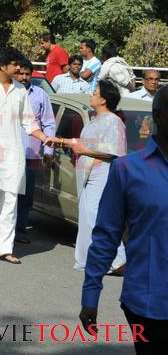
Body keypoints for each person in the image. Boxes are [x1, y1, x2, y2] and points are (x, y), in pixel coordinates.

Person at [79, 86, 168, 354]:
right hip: (149, 304)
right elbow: (106, 235)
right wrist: (90, 295)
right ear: (158, 116)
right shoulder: (127, 169)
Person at [0, 47, 59, 264]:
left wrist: (45, 138)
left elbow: (29, 123)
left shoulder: (20, 91)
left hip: (13, 154)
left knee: (9, 201)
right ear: (2, 66)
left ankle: (3, 248)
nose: (18, 68)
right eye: (14, 65)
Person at [69, 80, 127, 272]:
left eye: (95, 92)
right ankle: (88, 261)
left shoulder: (114, 121)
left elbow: (114, 152)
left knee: (96, 216)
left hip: (101, 173)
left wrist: (84, 150)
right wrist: (66, 143)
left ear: (103, 99)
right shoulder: (95, 119)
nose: (91, 95)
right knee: (85, 218)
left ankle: (118, 260)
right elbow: (86, 145)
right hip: (85, 173)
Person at [14, 59, 56, 244]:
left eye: (27, 74)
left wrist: (48, 151)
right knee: (8, 195)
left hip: (31, 154)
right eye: (20, 73)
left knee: (26, 196)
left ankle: (20, 231)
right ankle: (5, 230)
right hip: (8, 154)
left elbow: (49, 124)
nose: (23, 77)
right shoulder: (9, 93)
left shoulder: (40, 95)